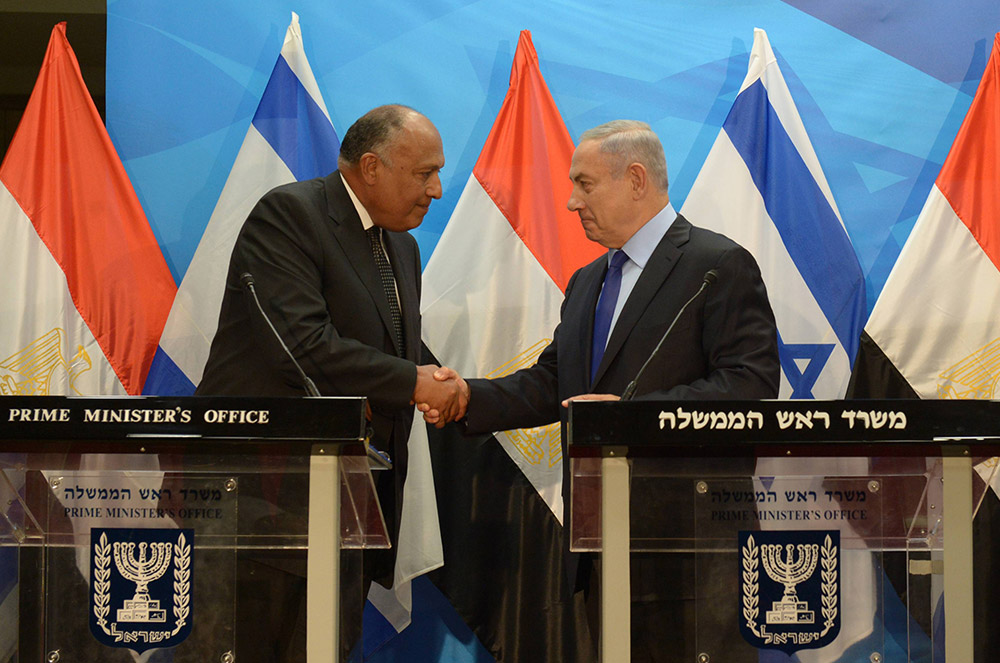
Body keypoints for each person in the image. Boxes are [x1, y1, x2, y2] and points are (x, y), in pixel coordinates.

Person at [424, 120, 780, 661]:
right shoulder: (589, 280)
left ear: (636, 178)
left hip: (688, 543)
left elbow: (749, 386)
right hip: (600, 542)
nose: (571, 202)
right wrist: (469, 396)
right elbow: (554, 381)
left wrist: (629, 418)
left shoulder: (718, 265)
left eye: (584, 184)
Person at [196, 104, 466, 662]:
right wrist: (415, 384)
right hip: (263, 500)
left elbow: (393, 350)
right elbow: (304, 341)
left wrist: (452, 387)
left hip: (352, 504)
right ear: (371, 167)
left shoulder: (402, 245)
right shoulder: (291, 214)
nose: (437, 189)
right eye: (424, 173)